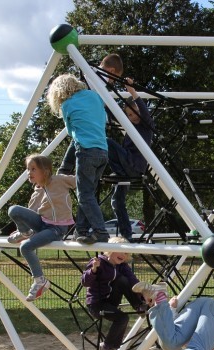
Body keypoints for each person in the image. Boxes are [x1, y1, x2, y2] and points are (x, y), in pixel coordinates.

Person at [47, 72, 111, 245]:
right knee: (87, 193)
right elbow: (103, 118)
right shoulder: (94, 96)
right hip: (103, 151)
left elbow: (71, 132)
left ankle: (100, 231)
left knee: (84, 195)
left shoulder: (67, 104)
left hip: (86, 152)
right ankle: (80, 230)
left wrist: (64, 167)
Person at [7, 154, 76, 301]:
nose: (29, 173)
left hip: (56, 229)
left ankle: (40, 281)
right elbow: (31, 212)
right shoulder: (38, 189)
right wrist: (25, 226)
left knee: (25, 247)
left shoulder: (59, 180)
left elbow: (82, 181)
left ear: (45, 171)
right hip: (42, 224)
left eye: (33, 169)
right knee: (14, 210)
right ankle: (24, 232)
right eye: (28, 169)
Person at [81, 237, 148, 350]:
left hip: (111, 301)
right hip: (97, 304)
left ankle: (139, 305)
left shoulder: (121, 266)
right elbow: (85, 282)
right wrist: (94, 270)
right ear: (110, 250)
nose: (124, 255)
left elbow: (132, 280)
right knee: (123, 318)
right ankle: (107, 347)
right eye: (121, 251)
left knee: (123, 280)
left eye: (126, 253)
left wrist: (144, 294)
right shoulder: (98, 262)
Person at [58, 54, 124, 176]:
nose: (112, 82)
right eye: (114, 78)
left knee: (77, 138)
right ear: (111, 71)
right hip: (88, 116)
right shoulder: (99, 82)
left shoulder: (90, 71)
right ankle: (65, 168)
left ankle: (65, 168)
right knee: (79, 140)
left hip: (82, 114)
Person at [106, 77, 155, 241]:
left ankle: (118, 171)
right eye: (128, 114)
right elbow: (112, 114)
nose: (131, 117)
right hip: (126, 168)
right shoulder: (130, 127)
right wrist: (102, 97)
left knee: (106, 142)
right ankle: (127, 234)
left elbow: (143, 111)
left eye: (133, 113)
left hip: (133, 166)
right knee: (116, 201)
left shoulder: (146, 126)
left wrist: (131, 91)